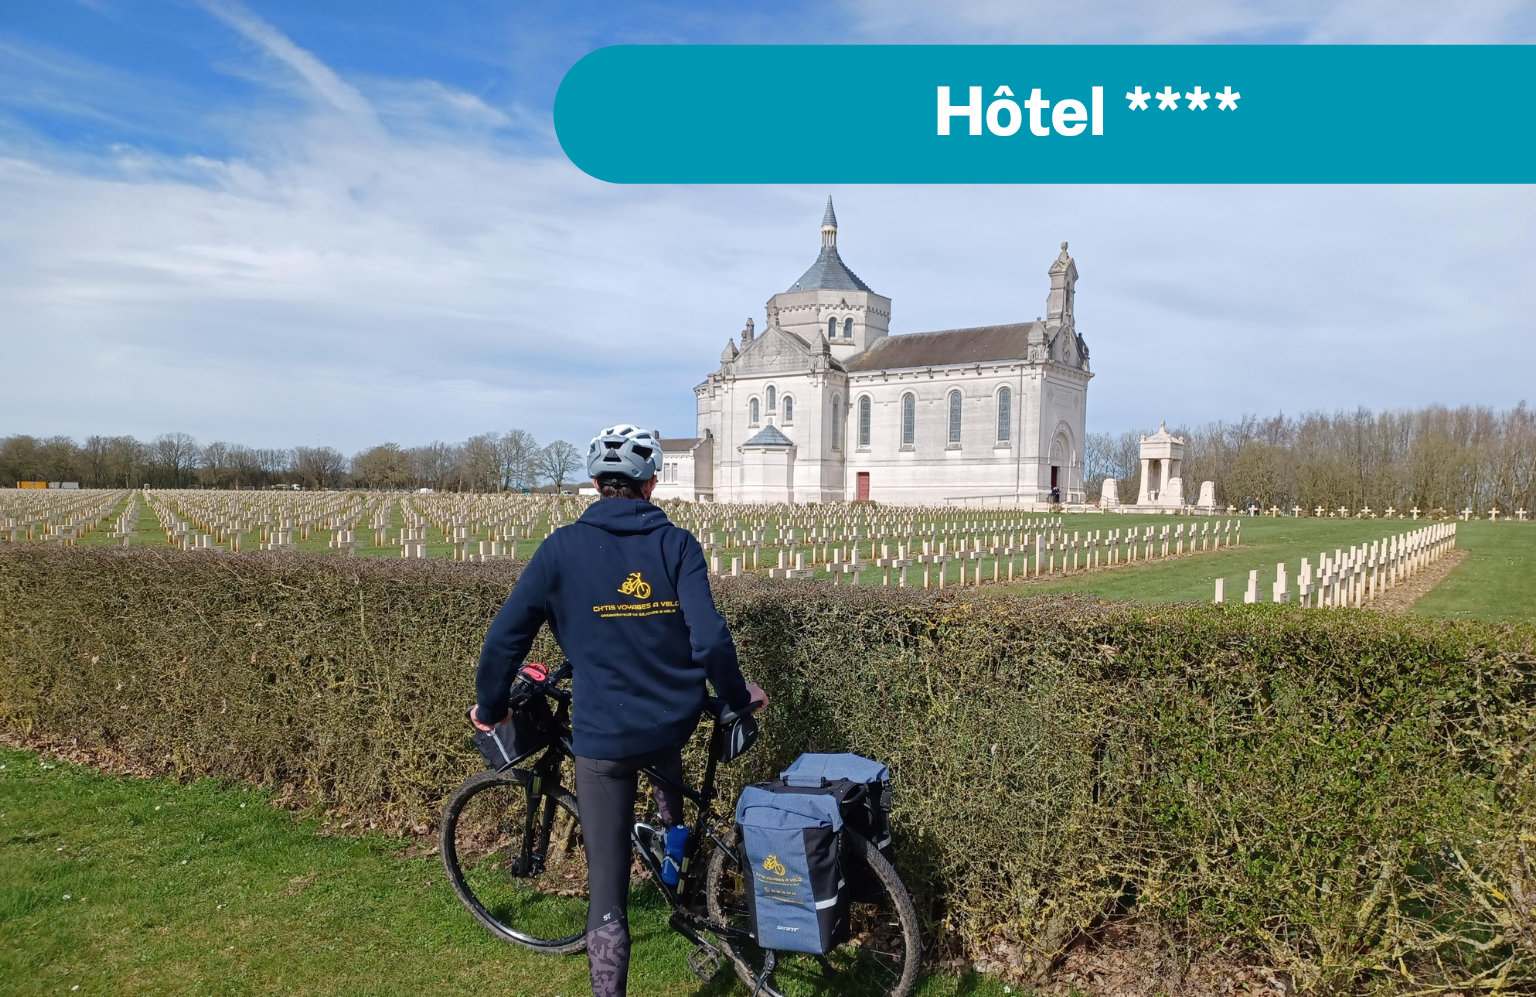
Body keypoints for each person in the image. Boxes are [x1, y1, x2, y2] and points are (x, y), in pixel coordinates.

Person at [471, 423, 766, 997]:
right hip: (673, 720)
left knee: (606, 896)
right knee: (664, 757)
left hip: (605, 736)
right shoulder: (677, 544)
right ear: (653, 481)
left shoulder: (560, 549)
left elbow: (505, 641)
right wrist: (738, 697)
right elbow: (708, 641)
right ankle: (672, 863)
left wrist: (491, 707)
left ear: (595, 481)